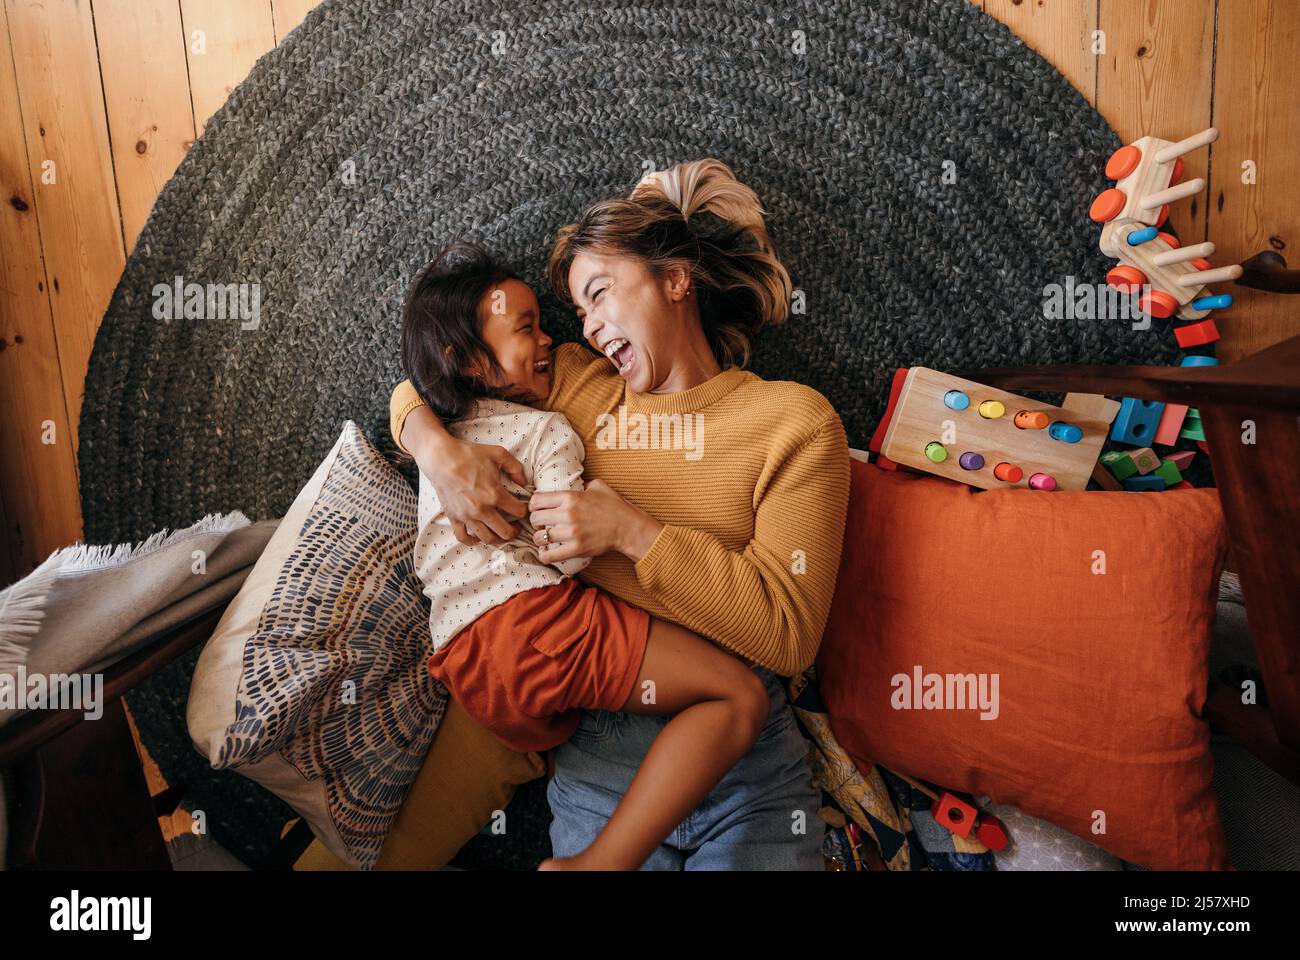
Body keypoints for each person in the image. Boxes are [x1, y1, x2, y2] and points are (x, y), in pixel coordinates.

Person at [391, 158, 851, 870]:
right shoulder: (574, 384)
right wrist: (435, 450)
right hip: (602, 757)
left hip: (746, 771)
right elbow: (435, 372)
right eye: (578, 312)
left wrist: (632, 532)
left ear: (675, 280)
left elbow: (788, 635)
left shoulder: (793, 422)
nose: (589, 327)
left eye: (600, 294)